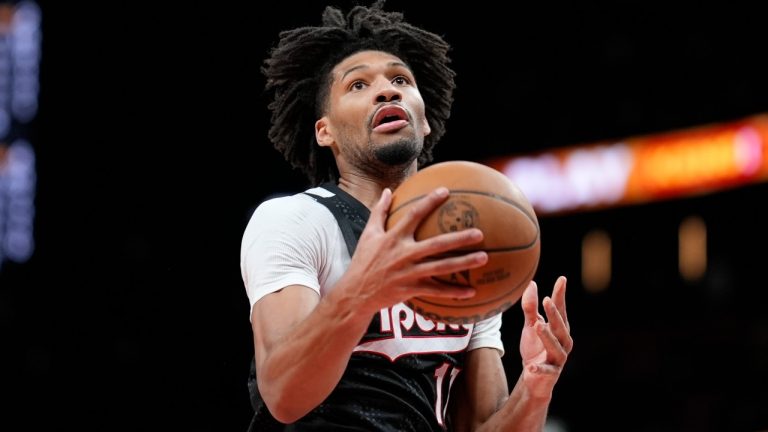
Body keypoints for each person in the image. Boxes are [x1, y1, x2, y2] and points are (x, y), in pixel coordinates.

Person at [240, 1, 573, 430]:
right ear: (324, 131)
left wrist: (535, 386)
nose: (386, 90)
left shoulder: (468, 244)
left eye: (400, 79)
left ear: (425, 120)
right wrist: (363, 291)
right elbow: (284, 395)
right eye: (357, 85)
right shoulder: (296, 220)